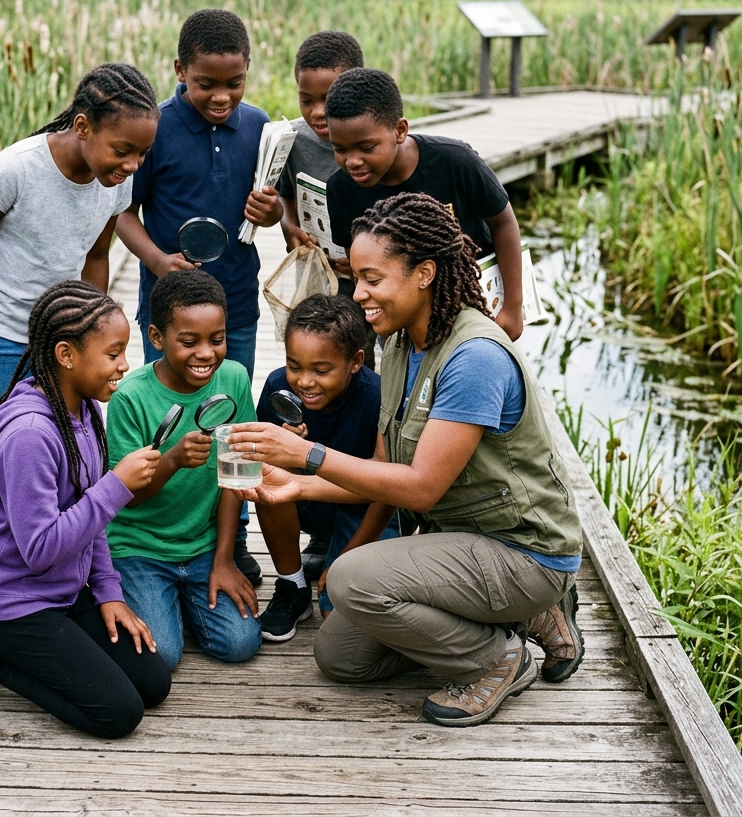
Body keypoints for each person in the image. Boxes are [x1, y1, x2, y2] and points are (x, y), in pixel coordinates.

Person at [228, 192, 584, 728]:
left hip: (522, 548)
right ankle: (519, 617)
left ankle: (497, 658)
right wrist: (294, 485)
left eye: (373, 278)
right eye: (357, 275)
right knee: (341, 658)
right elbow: (380, 470)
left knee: (350, 579)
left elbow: (418, 489)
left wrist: (309, 454)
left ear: (425, 274)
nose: (359, 291)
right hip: (460, 542)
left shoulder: (474, 358)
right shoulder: (398, 343)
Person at [0, 281, 171, 739]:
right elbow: (39, 548)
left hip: (62, 589)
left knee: (153, 683)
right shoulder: (30, 436)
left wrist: (108, 592)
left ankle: (22, 641)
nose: (125, 365)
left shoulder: (83, 409)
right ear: (66, 354)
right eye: (113, 353)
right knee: (118, 714)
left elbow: (88, 515)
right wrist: (116, 487)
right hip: (6, 601)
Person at [116, 8, 281, 584]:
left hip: (235, 299)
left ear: (248, 73)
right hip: (171, 304)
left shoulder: (260, 126)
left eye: (233, 83)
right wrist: (158, 260)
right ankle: (166, 530)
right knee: (173, 416)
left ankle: (227, 543)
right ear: (180, 69)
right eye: (206, 83)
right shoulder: (154, 128)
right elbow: (123, 211)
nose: (221, 96)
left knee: (231, 424)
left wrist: (275, 211)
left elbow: (273, 204)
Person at [0, 63, 159, 403]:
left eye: (142, 153)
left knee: (69, 442)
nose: (132, 164)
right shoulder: (18, 168)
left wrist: (92, 335)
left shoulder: (117, 181)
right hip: (0, 335)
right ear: (82, 127)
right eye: (122, 151)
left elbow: (97, 255)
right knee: (3, 442)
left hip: (65, 339)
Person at [105, 270, 263, 670]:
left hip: (202, 545)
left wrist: (224, 559)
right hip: (139, 547)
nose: (206, 353)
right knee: (165, 657)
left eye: (218, 339)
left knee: (241, 643)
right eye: (189, 342)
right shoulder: (130, 397)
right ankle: (160, 599)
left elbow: (236, 476)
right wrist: (172, 460)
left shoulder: (234, 378)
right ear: (157, 338)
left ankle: (183, 599)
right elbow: (125, 495)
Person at [324, 68, 527, 343]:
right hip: (401, 322)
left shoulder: (456, 162)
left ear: (399, 130)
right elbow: (360, 262)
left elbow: (503, 222)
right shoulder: (340, 189)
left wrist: (512, 309)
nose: (353, 161)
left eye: (366, 148)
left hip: (474, 306)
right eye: (340, 149)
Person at [253, 294, 409, 642]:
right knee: (266, 481)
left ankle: (334, 552)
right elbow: (257, 464)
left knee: (335, 616)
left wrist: (348, 556)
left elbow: (387, 491)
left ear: (356, 361)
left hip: (365, 510)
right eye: (295, 366)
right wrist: (280, 451)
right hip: (307, 503)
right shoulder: (279, 386)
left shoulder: (377, 397)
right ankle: (292, 584)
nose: (305, 382)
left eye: (321, 370)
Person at [277, 30, 363, 258]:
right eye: (306, 100)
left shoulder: (377, 143)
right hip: (315, 274)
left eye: (329, 98)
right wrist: (289, 226)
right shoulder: (293, 139)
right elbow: (284, 194)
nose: (317, 112)